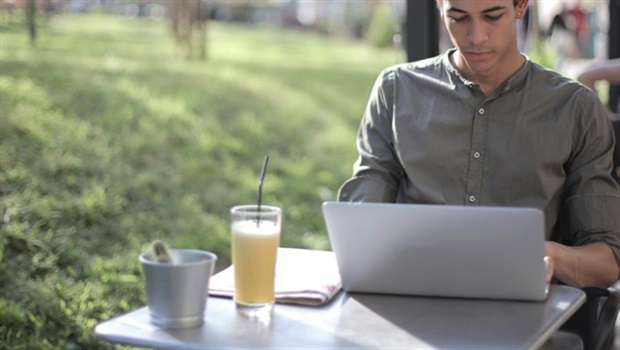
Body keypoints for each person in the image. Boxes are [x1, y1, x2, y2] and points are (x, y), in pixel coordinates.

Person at [338, 0, 620, 289]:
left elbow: (606, 262)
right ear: (440, 8)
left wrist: (544, 253)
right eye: (458, 18)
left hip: (522, 310)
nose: (476, 37)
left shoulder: (574, 109)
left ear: (521, 6)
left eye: (492, 16)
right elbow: (361, 226)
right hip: (411, 296)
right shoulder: (396, 90)